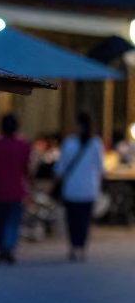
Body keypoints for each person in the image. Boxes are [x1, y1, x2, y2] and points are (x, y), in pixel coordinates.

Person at [55, 110, 104, 261]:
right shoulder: (96, 143)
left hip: (71, 188)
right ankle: (81, 247)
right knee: (84, 220)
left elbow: (60, 168)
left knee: (72, 220)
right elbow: (100, 167)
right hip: (89, 188)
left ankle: (73, 246)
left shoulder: (69, 143)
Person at [0, 113, 31, 264]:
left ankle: (0, 247)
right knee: (13, 220)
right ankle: (8, 246)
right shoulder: (23, 146)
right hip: (16, 188)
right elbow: (26, 169)